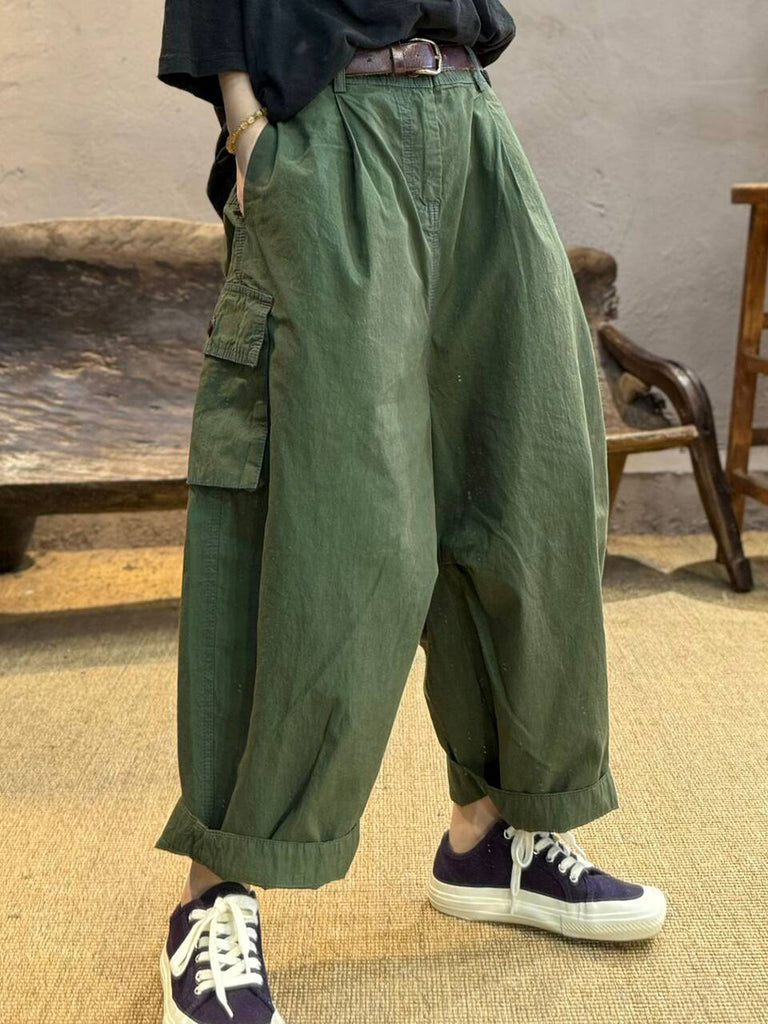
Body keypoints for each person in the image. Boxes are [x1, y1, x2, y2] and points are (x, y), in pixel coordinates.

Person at [153, 4, 668, 1022]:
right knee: (313, 517)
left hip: (468, 112)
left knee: (523, 483)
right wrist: (245, 125)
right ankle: (214, 890)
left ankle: (495, 835)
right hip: (325, 121)